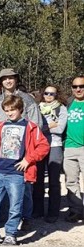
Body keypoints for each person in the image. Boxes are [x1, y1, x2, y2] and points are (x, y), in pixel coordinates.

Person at [0, 95, 49, 245]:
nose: (9, 113)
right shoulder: (0, 126)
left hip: (17, 173)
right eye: (6, 110)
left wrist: (28, 159)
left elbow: (44, 146)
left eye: (12, 109)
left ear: (20, 109)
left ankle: (10, 234)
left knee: (15, 205)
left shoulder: (31, 126)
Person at [32, 85, 67, 222]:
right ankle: (38, 210)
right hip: (39, 146)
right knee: (38, 179)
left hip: (55, 146)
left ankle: (53, 212)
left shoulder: (61, 108)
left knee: (53, 180)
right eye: (46, 93)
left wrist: (43, 128)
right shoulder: (37, 107)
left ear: (57, 95)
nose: (48, 96)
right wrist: (50, 125)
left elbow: (60, 129)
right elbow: (35, 128)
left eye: (52, 94)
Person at [64, 76, 84, 222]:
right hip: (69, 147)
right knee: (71, 181)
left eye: (82, 86)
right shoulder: (67, 103)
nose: (78, 89)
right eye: (75, 86)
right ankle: (76, 210)